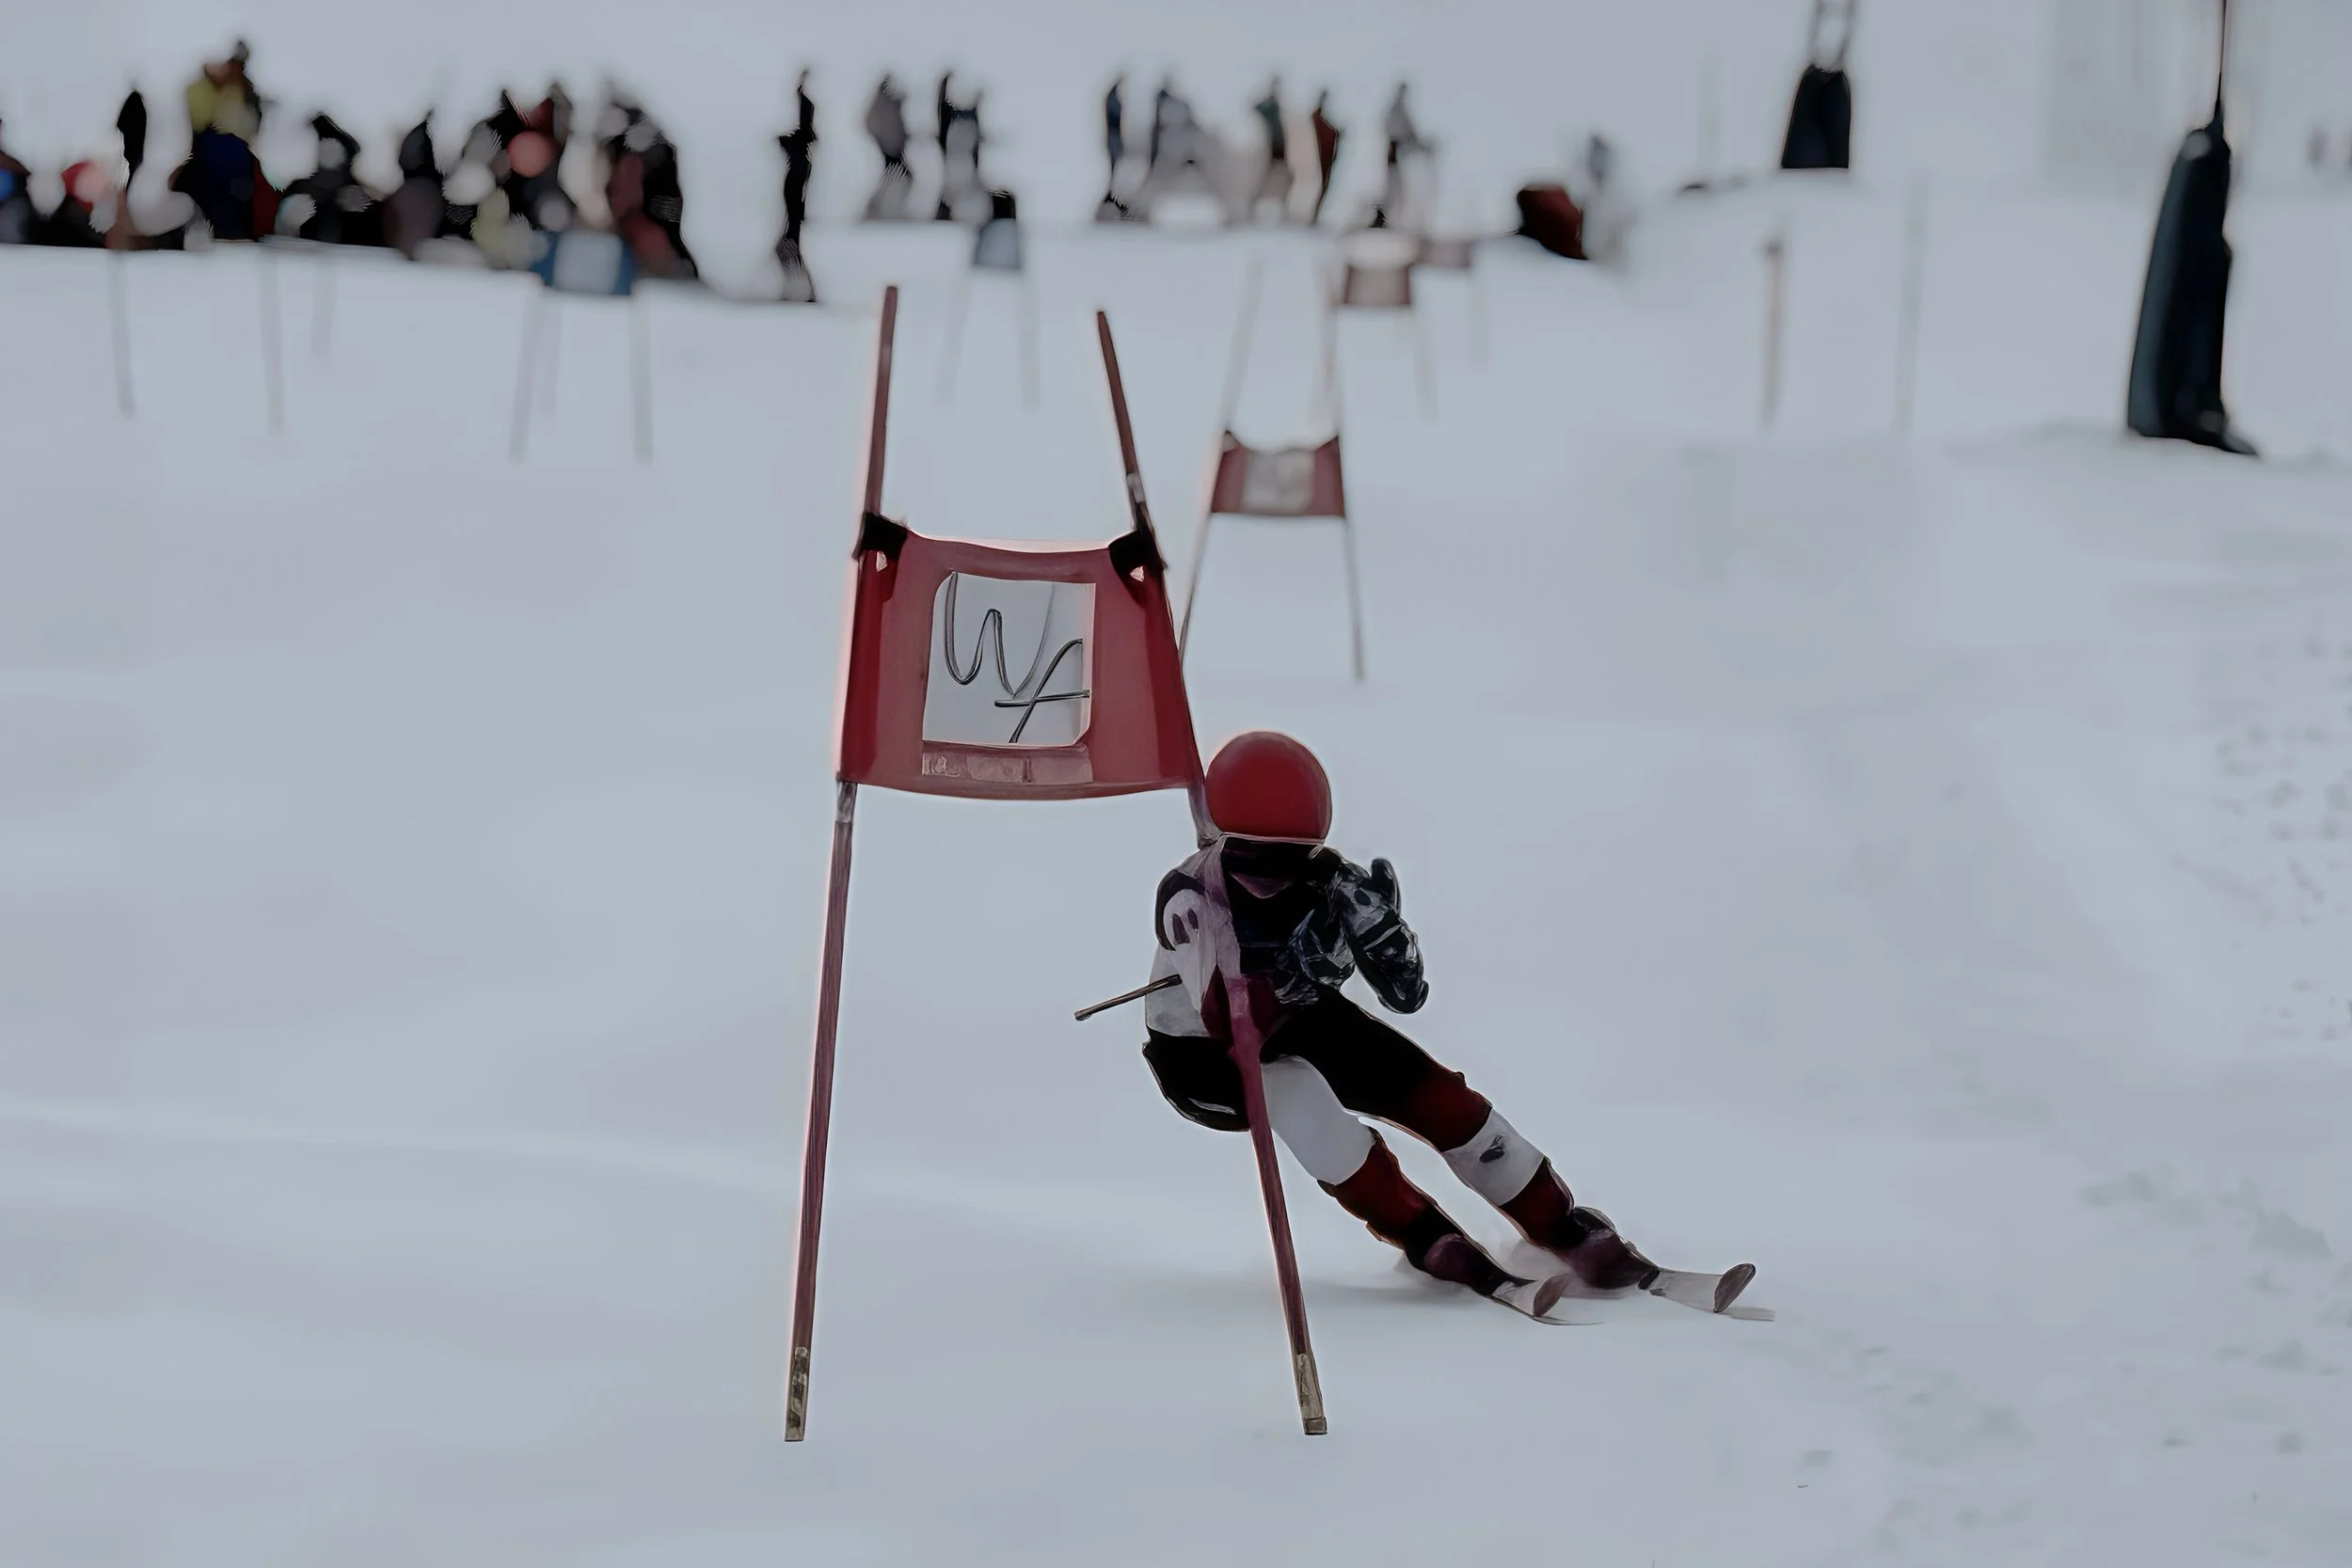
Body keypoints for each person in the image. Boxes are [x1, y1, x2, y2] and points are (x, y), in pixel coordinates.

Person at [1137, 733, 1756, 1315]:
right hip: (1202, 1055)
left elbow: (1406, 995)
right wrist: (1308, 971)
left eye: (1291, 856)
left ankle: (1561, 1225)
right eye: (1252, 853)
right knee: (1305, 1101)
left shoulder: (1325, 878)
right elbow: (1230, 1020)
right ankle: (1422, 1231)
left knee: (1435, 1095)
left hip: (1296, 1012)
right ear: (1225, 837)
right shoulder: (1192, 898)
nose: (1272, 874)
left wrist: (1386, 942)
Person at [863, 74, 911, 220]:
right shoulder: (883, 104)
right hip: (891, 147)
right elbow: (874, 124)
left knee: (895, 176)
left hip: (893, 146)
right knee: (898, 175)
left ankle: (883, 207)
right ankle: (880, 207)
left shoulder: (886, 102)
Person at [778, 70, 818, 244]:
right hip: (800, 163)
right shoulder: (801, 154)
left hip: (799, 165)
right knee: (793, 200)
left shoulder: (799, 153)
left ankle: (792, 236)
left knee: (793, 200)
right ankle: (792, 235)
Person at [1250, 76, 1292, 219]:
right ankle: (1251, 207)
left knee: (1287, 179)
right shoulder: (1268, 106)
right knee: (1263, 179)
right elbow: (1255, 107)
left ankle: (1284, 209)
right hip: (1270, 147)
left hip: (1281, 148)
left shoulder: (1279, 107)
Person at [1309, 90, 1341, 223]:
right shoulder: (1317, 123)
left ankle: (1315, 214)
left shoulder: (1324, 125)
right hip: (1317, 161)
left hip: (1323, 161)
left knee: (1321, 188)